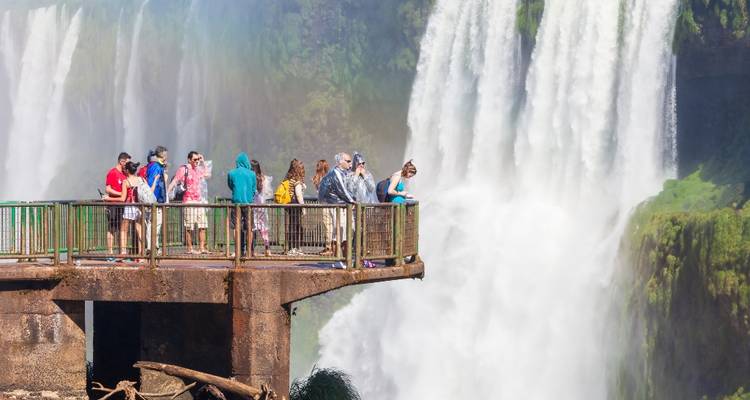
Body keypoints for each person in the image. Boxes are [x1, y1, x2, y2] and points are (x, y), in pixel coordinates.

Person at [168, 151, 210, 254]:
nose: (197, 161)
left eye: (198, 159)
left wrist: (203, 161)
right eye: (195, 160)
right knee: (189, 227)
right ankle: (190, 248)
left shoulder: (198, 169)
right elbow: (174, 182)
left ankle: (202, 248)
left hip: (199, 201)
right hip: (188, 200)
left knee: (203, 225)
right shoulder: (183, 169)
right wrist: (166, 194)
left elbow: (208, 174)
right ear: (189, 159)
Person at [318, 153, 355, 268]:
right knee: (339, 232)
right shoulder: (336, 173)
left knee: (347, 231)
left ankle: (343, 259)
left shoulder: (344, 173)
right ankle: (338, 260)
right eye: (348, 161)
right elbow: (342, 190)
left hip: (341, 206)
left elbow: (350, 187)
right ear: (340, 162)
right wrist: (352, 202)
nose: (350, 163)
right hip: (336, 206)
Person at [111, 161, 147, 262]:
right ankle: (141, 254)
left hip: (130, 206)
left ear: (127, 170)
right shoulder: (142, 179)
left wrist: (108, 198)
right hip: (140, 206)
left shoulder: (126, 182)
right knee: (139, 230)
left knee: (123, 229)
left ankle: (123, 253)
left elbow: (122, 198)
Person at [227, 152, 256, 257]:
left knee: (236, 227)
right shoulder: (252, 174)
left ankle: (238, 250)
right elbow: (254, 189)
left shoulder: (231, 173)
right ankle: (249, 251)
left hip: (236, 203)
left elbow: (231, 186)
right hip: (248, 203)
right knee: (249, 228)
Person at [103, 152, 130, 261]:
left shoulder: (124, 174)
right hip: (113, 205)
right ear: (121, 161)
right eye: (127, 163)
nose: (128, 165)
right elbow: (108, 189)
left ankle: (121, 253)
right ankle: (110, 253)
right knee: (112, 229)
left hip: (122, 205)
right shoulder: (112, 173)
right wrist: (121, 194)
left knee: (122, 229)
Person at [145, 146, 169, 252]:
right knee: (153, 224)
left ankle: (155, 246)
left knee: (157, 225)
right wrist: (154, 199)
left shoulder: (159, 166)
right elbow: (152, 185)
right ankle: (151, 247)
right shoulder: (155, 167)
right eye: (166, 154)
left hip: (159, 200)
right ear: (163, 155)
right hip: (155, 201)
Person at [283, 159, 306, 256]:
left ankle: (292, 248)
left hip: (289, 204)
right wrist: (303, 207)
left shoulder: (289, 178)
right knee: (296, 227)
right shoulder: (297, 180)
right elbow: (299, 195)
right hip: (296, 205)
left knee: (292, 226)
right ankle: (294, 248)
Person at [251, 159, 273, 256]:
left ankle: (251, 250)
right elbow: (268, 193)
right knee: (263, 228)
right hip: (262, 205)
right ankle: (267, 249)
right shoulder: (264, 178)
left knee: (252, 228)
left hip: (252, 206)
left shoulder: (250, 177)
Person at [313, 159, 334, 256]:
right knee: (330, 226)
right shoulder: (329, 177)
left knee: (328, 226)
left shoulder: (322, 178)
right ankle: (330, 247)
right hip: (330, 204)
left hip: (325, 205)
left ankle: (329, 247)